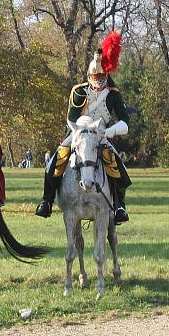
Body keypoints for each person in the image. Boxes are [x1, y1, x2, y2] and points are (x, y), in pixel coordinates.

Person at [35, 31, 132, 224]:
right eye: (95, 76)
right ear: (89, 75)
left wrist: (110, 131)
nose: (98, 79)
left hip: (102, 134)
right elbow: (71, 117)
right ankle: (46, 201)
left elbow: (125, 121)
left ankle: (120, 206)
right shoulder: (79, 91)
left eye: (102, 76)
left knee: (118, 167)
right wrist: (83, 128)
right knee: (56, 160)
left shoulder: (113, 95)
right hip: (78, 132)